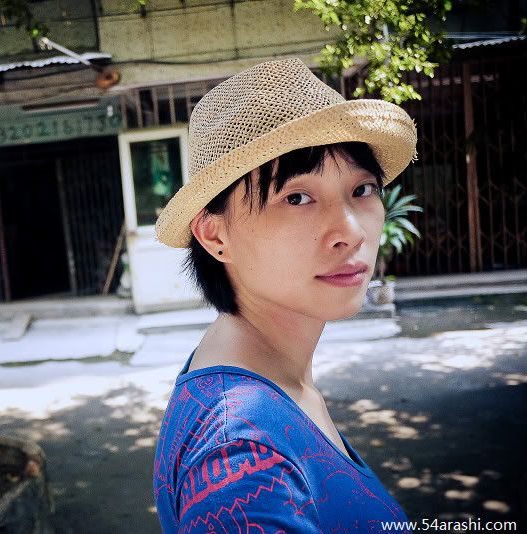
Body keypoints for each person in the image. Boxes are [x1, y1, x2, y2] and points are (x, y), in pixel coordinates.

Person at [152, 58, 417, 533]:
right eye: (296, 197)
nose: (351, 231)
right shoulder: (240, 455)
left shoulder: (268, 380)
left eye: (362, 189)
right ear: (215, 235)